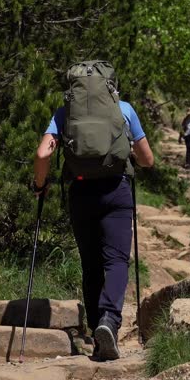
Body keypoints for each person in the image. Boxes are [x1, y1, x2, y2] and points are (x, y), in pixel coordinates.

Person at [32, 67, 154, 361]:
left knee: (91, 264)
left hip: (81, 193)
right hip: (116, 190)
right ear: (110, 87)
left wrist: (40, 184)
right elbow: (148, 159)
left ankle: (99, 338)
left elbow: (42, 154)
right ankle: (109, 321)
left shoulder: (65, 113)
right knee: (116, 261)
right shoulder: (124, 110)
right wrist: (129, 152)